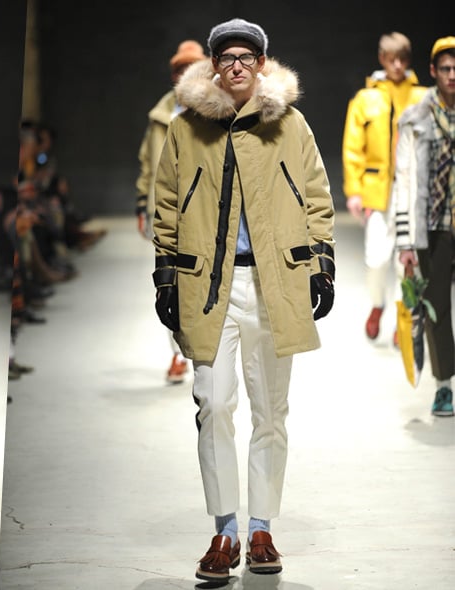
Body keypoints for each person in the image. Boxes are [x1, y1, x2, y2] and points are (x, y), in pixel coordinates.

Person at [152, 18, 335, 581]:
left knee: (270, 412)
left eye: (246, 57)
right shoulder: (185, 128)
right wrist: (165, 276)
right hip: (210, 287)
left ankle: (260, 529)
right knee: (213, 404)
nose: (237, 65)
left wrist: (322, 265)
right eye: (227, 57)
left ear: (261, 63)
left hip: (275, 284)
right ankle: (224, 530)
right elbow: (166, 203)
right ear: (213, 65)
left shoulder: (291, 125)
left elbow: (316, 194)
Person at [342, 32, 426, 341]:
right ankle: (378, 304)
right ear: (382, 59)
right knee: (376, 258)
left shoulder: (422, 97)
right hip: (377, 190)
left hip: (412, 191)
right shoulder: (366, 99)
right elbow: (353, 148)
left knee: (408, 261)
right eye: (392, 59)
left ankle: (403, 316)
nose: (397, 65)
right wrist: (354, 191)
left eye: (402, 59)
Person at [135, 39, 206, 384]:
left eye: (191, 67)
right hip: (167, 208)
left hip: (205, 208)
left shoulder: (215, 109)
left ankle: (206, 348)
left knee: (205, 279)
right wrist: (141, 203)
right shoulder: (159, 115)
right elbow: (148, 162)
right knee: (170, 280)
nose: (184, 74)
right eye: (179, 68)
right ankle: (178, 352)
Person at [393, 36, 455, 417]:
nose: (452, 75)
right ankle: (444, 384)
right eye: (446, 68)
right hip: (434, 227)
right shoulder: (415, 119)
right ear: (433, 71)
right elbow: (404, 180)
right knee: (436, 307)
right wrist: (405, 241)